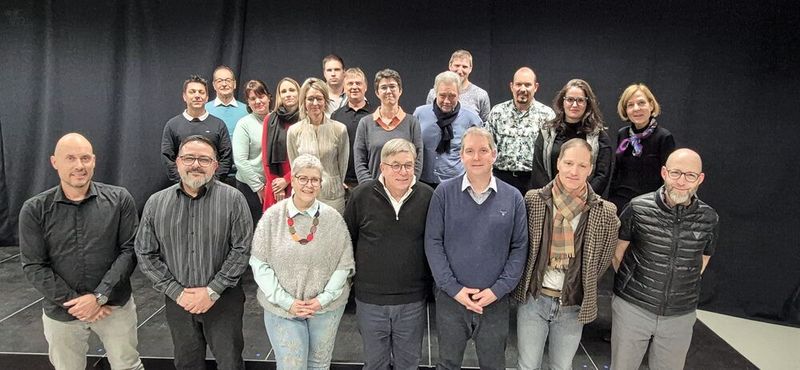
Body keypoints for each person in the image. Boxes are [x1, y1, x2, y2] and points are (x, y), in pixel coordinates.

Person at [19, 133, 143, 370]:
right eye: (71, 158)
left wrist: (99, 297)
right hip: (62, 310)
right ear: (55, 162)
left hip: (114, 305)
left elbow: (129, 251)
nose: (79, 166)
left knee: (128, 366)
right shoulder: (35, 209)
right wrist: (77, 303)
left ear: (94, 161)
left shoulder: (119, 199)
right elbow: (34, 265)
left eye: (85, 158)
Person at [136, 135, 253, 370]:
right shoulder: (156, 203)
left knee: (230, 363)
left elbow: (243, 248)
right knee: (186, 364)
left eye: (204, 159)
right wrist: (177, 292)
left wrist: (212, 290)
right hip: (179, 302)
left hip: (223, 300)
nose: (196, 164)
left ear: (215, 166)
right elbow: (145, 253)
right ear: (177, 162)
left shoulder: (233, 200)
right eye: (189, 158)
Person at [425, 127, 528, 370]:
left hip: (494, 301)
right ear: (461, 156)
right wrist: (453, 288)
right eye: (469, 151)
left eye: (483, 150)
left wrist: (498, 290)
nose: (477, 157)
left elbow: (519, 247)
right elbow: (433, 243)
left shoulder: (513, 197)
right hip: (452, 299)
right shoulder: (443, 193)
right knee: (447, 363)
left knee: (493, 364)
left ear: (494, 154)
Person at [512, 138, 619, 370]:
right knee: (527, 365)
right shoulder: (534, 200)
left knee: (562, 366)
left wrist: (580, 281)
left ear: (590, 169)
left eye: (582, 165)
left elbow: (601, 262)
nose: (574, 171)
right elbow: (522, 247)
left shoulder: (606, 212)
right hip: (534, 300)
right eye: (569, 163)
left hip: (572, 305)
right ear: (558, 163)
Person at [611, 148, 719, 370]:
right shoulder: (638, 207)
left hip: (679, 315)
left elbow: (703, 260)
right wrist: (635, 285)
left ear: (700, 178)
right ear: (664, 173)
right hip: (633, 308)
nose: (682, 181)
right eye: (676, 173)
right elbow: (618, 251)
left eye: (690, 175)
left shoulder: (709, 218)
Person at [250, 154, 355, 370]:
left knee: (319, 364)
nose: (309, 184)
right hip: (282, 308)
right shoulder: (272, 217)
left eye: (315, 179)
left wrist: (323, 299)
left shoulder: (333, 218)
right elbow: (259, 263)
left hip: (326, 307)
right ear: (293, 180)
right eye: (303, 178)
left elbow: (344, 265)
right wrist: (287, 301)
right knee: (291, 365)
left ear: (321, 183)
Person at [344, 139, 434, 369]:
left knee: (409, 363)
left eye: (408, 165)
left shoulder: (428, 196)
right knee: (375, 364)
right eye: (395, 165)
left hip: (412, 299)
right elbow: (348, 241)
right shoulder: (361, 196)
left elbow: (434, 245)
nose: (403, 172)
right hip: (370, 300)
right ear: (382, 167)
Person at [531, 79, 612, 195]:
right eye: (570, 100)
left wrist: (581, 199)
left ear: (587, 103)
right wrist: (552, 197)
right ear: (562, 102)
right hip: (550, 201)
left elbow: (602, 175)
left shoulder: (599, 136)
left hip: (585, 204)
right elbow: (538, 171)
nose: (575, 105)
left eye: (580, 100)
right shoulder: (547, 132)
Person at [485, 67, 555, 195]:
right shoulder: (497, 112)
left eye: (528, 85)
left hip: (534, 181)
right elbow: (487, 147)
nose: (523, 89)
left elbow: (551, 153)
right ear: (512, 86)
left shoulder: (547, 116)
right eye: (518, 84)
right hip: (502, 179)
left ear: (536, 87)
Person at [608, 83, 675, 213]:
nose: (636, 108)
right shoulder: (623, 134)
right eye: (630, 105)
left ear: (651, 105)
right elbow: (617, 172)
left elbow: (668, 179)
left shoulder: (664, 137)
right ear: (625, 110)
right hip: (620, 203)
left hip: (649, 206)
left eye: (641, 103)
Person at [286, 78, 349, 213]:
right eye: (310, 99)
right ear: (303, 101)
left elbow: (342, 165)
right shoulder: (294, 131)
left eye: (319, 98)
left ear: (325, 100)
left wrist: (333, 183)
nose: (315, 103)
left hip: (333, 197)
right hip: (304, 197)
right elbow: (295, 166)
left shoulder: (340, 129)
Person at [414, 71, 482, 187]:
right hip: (423, 183)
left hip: (455, 185)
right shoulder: (420, 114)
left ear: (459, 94)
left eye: (452, 96)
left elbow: (479, 153)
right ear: (435, 93)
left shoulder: (472, 119)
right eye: (442, 95)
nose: (446, 101)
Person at [354, 69, 423, 183]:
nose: (388, 91)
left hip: (404, 190)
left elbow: (418, 159)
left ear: (400, 90)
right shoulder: (365, 123)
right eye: (383, 87)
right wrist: (371, 189)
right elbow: (359, 161)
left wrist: (406, 184)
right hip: (373, 193)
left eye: (392, 86)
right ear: (377, 92)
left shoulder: (412, 123)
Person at [162, 74, 232, 182]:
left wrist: (212, 183)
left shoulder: (219, 125)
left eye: (201, 92)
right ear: (184, 96)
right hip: (182, 187)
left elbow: (226, 158)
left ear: (207, 98)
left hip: (213, 188)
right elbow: (167, 159)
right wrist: (185, 184)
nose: (197, 95)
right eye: (192, 92)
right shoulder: (172, 125)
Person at [232, 79, 271, 224]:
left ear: (268, 97)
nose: (258, 101)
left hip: (273, 186)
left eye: (261, 96)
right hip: (250, 187)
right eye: (253, 98)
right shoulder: (244, 124)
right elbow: (240, 161)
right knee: (253, 228)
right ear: (248, 103)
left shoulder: (277, 120)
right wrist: (259, 187)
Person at [261, 77, 301, 211]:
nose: (288, 94)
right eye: (283, 91)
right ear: (279, 96)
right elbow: (266, 157)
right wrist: (277, 186)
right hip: (276, 185)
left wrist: (287, 180)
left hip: (300, 181)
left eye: (292, 90)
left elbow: (310, 155)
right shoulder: (270, 119)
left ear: (299, 92)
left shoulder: (306, 118)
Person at [331, 67, 374, 190]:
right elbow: (333, 149)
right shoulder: (336, 115)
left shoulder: (376, 113)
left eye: (358, 83)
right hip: (344, 182)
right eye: (350, 83)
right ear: (344, 88)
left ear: (365, 87)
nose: (354, 87)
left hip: (369, 180)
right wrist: (338, 179)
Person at [425, 49, 491, 121]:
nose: (460, 71)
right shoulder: (434, 93)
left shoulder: (480, 95)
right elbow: (429, 119)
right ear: (450, 66)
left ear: (470, 69)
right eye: (457, 65)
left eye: (464, 67)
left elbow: (485, 125)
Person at [206, 65, 248, 140]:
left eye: (228, 80)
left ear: (234, 84)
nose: (224, 84)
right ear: (214, 85)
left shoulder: (247, 110)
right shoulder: (205, 110)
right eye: (219, 81)